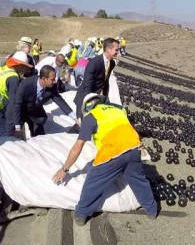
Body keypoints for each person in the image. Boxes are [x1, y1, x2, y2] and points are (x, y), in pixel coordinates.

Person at [52, 93, 158, 225]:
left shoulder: (91, 117)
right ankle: (152, 209)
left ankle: (81, 214)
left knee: (93, 183)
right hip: (133, 148)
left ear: (86, 108)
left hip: (112, 153)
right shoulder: (119, 109)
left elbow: (78, 147)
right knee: (138, 180)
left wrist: (64, 169)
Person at [7, 65, 76, 137]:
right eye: (52, 79)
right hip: (21, 111)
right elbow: (17, 104)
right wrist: (17, 127)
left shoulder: (52, 87)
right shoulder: (26, 84)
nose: (54, 81)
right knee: (16, 138)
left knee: (39, 137)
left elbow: (60, 101)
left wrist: (74, 118)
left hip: (35, 113)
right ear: (44, 79)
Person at [73, 38, 119, 120]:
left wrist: (104, 98)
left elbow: (105, 82)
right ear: (108, 49)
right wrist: (88, 102)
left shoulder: (111, 63)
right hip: (84, 97)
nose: (117, 52)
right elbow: (88, 84)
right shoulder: (94, 62)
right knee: (81, 125)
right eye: (116, 50)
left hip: (95, 97)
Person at [0, 52, 34, 141]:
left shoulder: (4, 68)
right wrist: (15, 125)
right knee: (7, 137)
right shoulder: (13, 78)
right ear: (18, 65)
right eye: (23, 66)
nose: (24, 69)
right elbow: (12, 104)